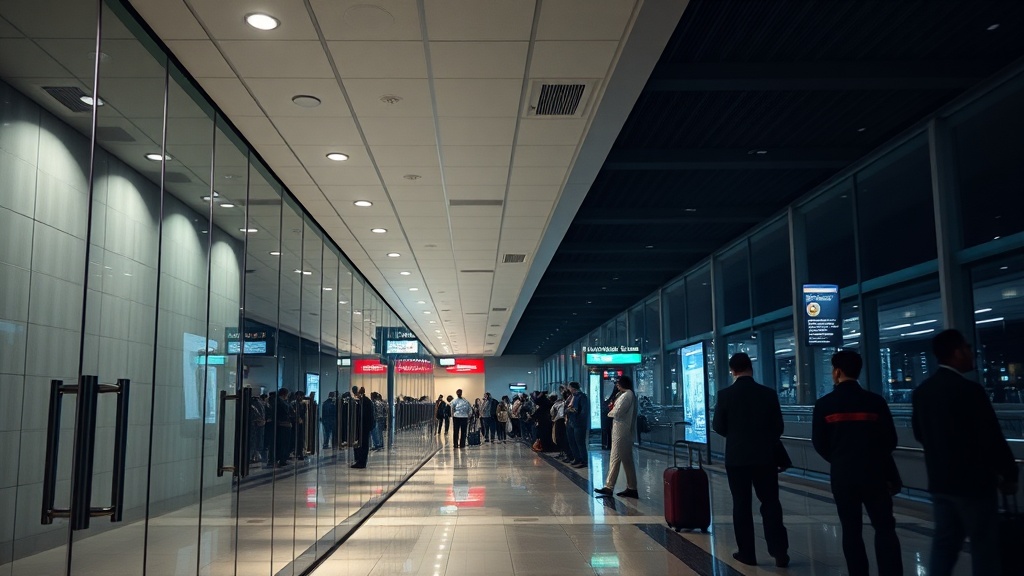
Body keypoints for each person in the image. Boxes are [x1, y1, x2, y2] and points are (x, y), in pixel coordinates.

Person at [911, 329, 1018, 576]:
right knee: (984, 547)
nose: (972, 354)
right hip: (973, 485)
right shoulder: (970, 391)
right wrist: (1009, 473)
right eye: (968, 349)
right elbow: (991, 437)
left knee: (944, 545)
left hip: (939, 482)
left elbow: (919, 433)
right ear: (957, 352)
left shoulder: (923, 392)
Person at [812, 350, 902, 576]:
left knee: (851, 530)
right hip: (875, 473)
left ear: (837, 372)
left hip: (843, 475)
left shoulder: (825, 404)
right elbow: (890, 439)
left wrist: (839, 458)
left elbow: (819, 442)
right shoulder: (875, 402)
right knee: (884, 527)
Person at [712, 353, 789, 568]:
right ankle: (779, 551)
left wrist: (736, 436)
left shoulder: (725, 395)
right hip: (765, 457)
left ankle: (747, 553)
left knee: (742, 504)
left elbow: (718, 426)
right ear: (751, 368)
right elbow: (778, 427)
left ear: (732, 370)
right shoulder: (768, 394)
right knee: (771, 502)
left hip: (737, 458)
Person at [595, 376, 639, 498]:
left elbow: (618, 411)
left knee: (625, 460)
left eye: (618, 384)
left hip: (622, 430)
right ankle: (610, 486)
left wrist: (610, 412)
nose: (617, 386)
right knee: (617, 458)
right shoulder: (623, 394)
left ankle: (631, 487)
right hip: (618, 429)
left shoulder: (627, 395)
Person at [565, 381, 589, 469]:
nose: (568, 389)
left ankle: (584, 460)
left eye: (569, 387)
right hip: (571, 422)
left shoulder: (581, 397)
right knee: (572, 441)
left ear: (573, 388)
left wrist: (578, 416)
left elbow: (584, 411)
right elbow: (566, 408)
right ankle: (577, 458)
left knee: (580, 442)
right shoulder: (571, 397)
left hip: (578, 423)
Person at [351, 387, 375, 468]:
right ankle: (360, 461)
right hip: (365, 426)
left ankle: (361, 461)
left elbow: (363, 415)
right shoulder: (367, 401)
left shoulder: (363, 402)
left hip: (363, 426)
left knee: (362, 444)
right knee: (363, 444)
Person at [274, 388, 294, 467]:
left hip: (284, 424)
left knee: (284, 443)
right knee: (284, 443)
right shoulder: (281, 402)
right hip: (283, 425)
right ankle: (282, 458)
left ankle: (283, 458)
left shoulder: (282, 402)